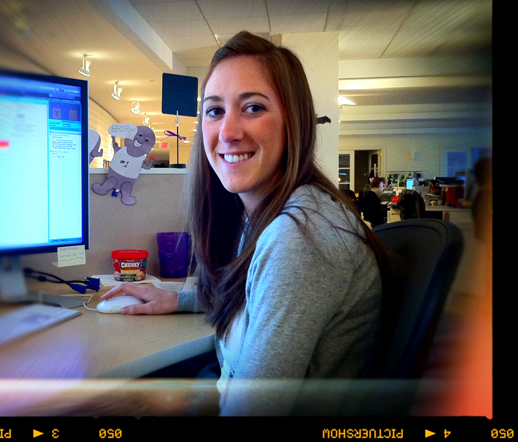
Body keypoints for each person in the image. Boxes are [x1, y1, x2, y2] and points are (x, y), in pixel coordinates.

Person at [101, 31, 387, 415]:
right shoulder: (266, 216)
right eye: (214, 111)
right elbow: (255, 300)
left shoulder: (299, 237)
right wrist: (180, 300)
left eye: (253, 108)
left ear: (294, 122)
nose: (228, 132)